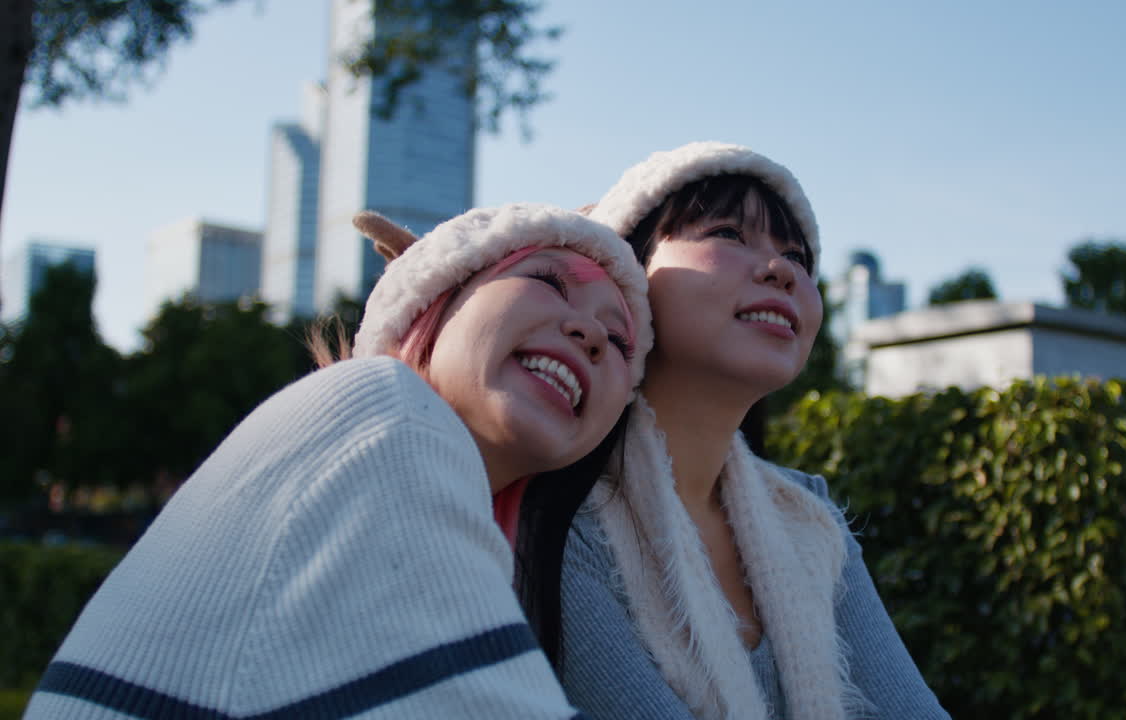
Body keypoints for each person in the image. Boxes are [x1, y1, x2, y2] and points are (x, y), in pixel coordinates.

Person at [25, 202, 652, 719]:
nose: (591, 333)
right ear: (436, 298)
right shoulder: (383, 415)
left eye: (620, 340)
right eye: (546, 282)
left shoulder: (449, 492)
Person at [551, 142, 950, 719]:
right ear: (625, 279)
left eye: (797, 256)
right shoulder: (563, 519)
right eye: (728, 235)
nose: (781, 269)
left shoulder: (808, 516)